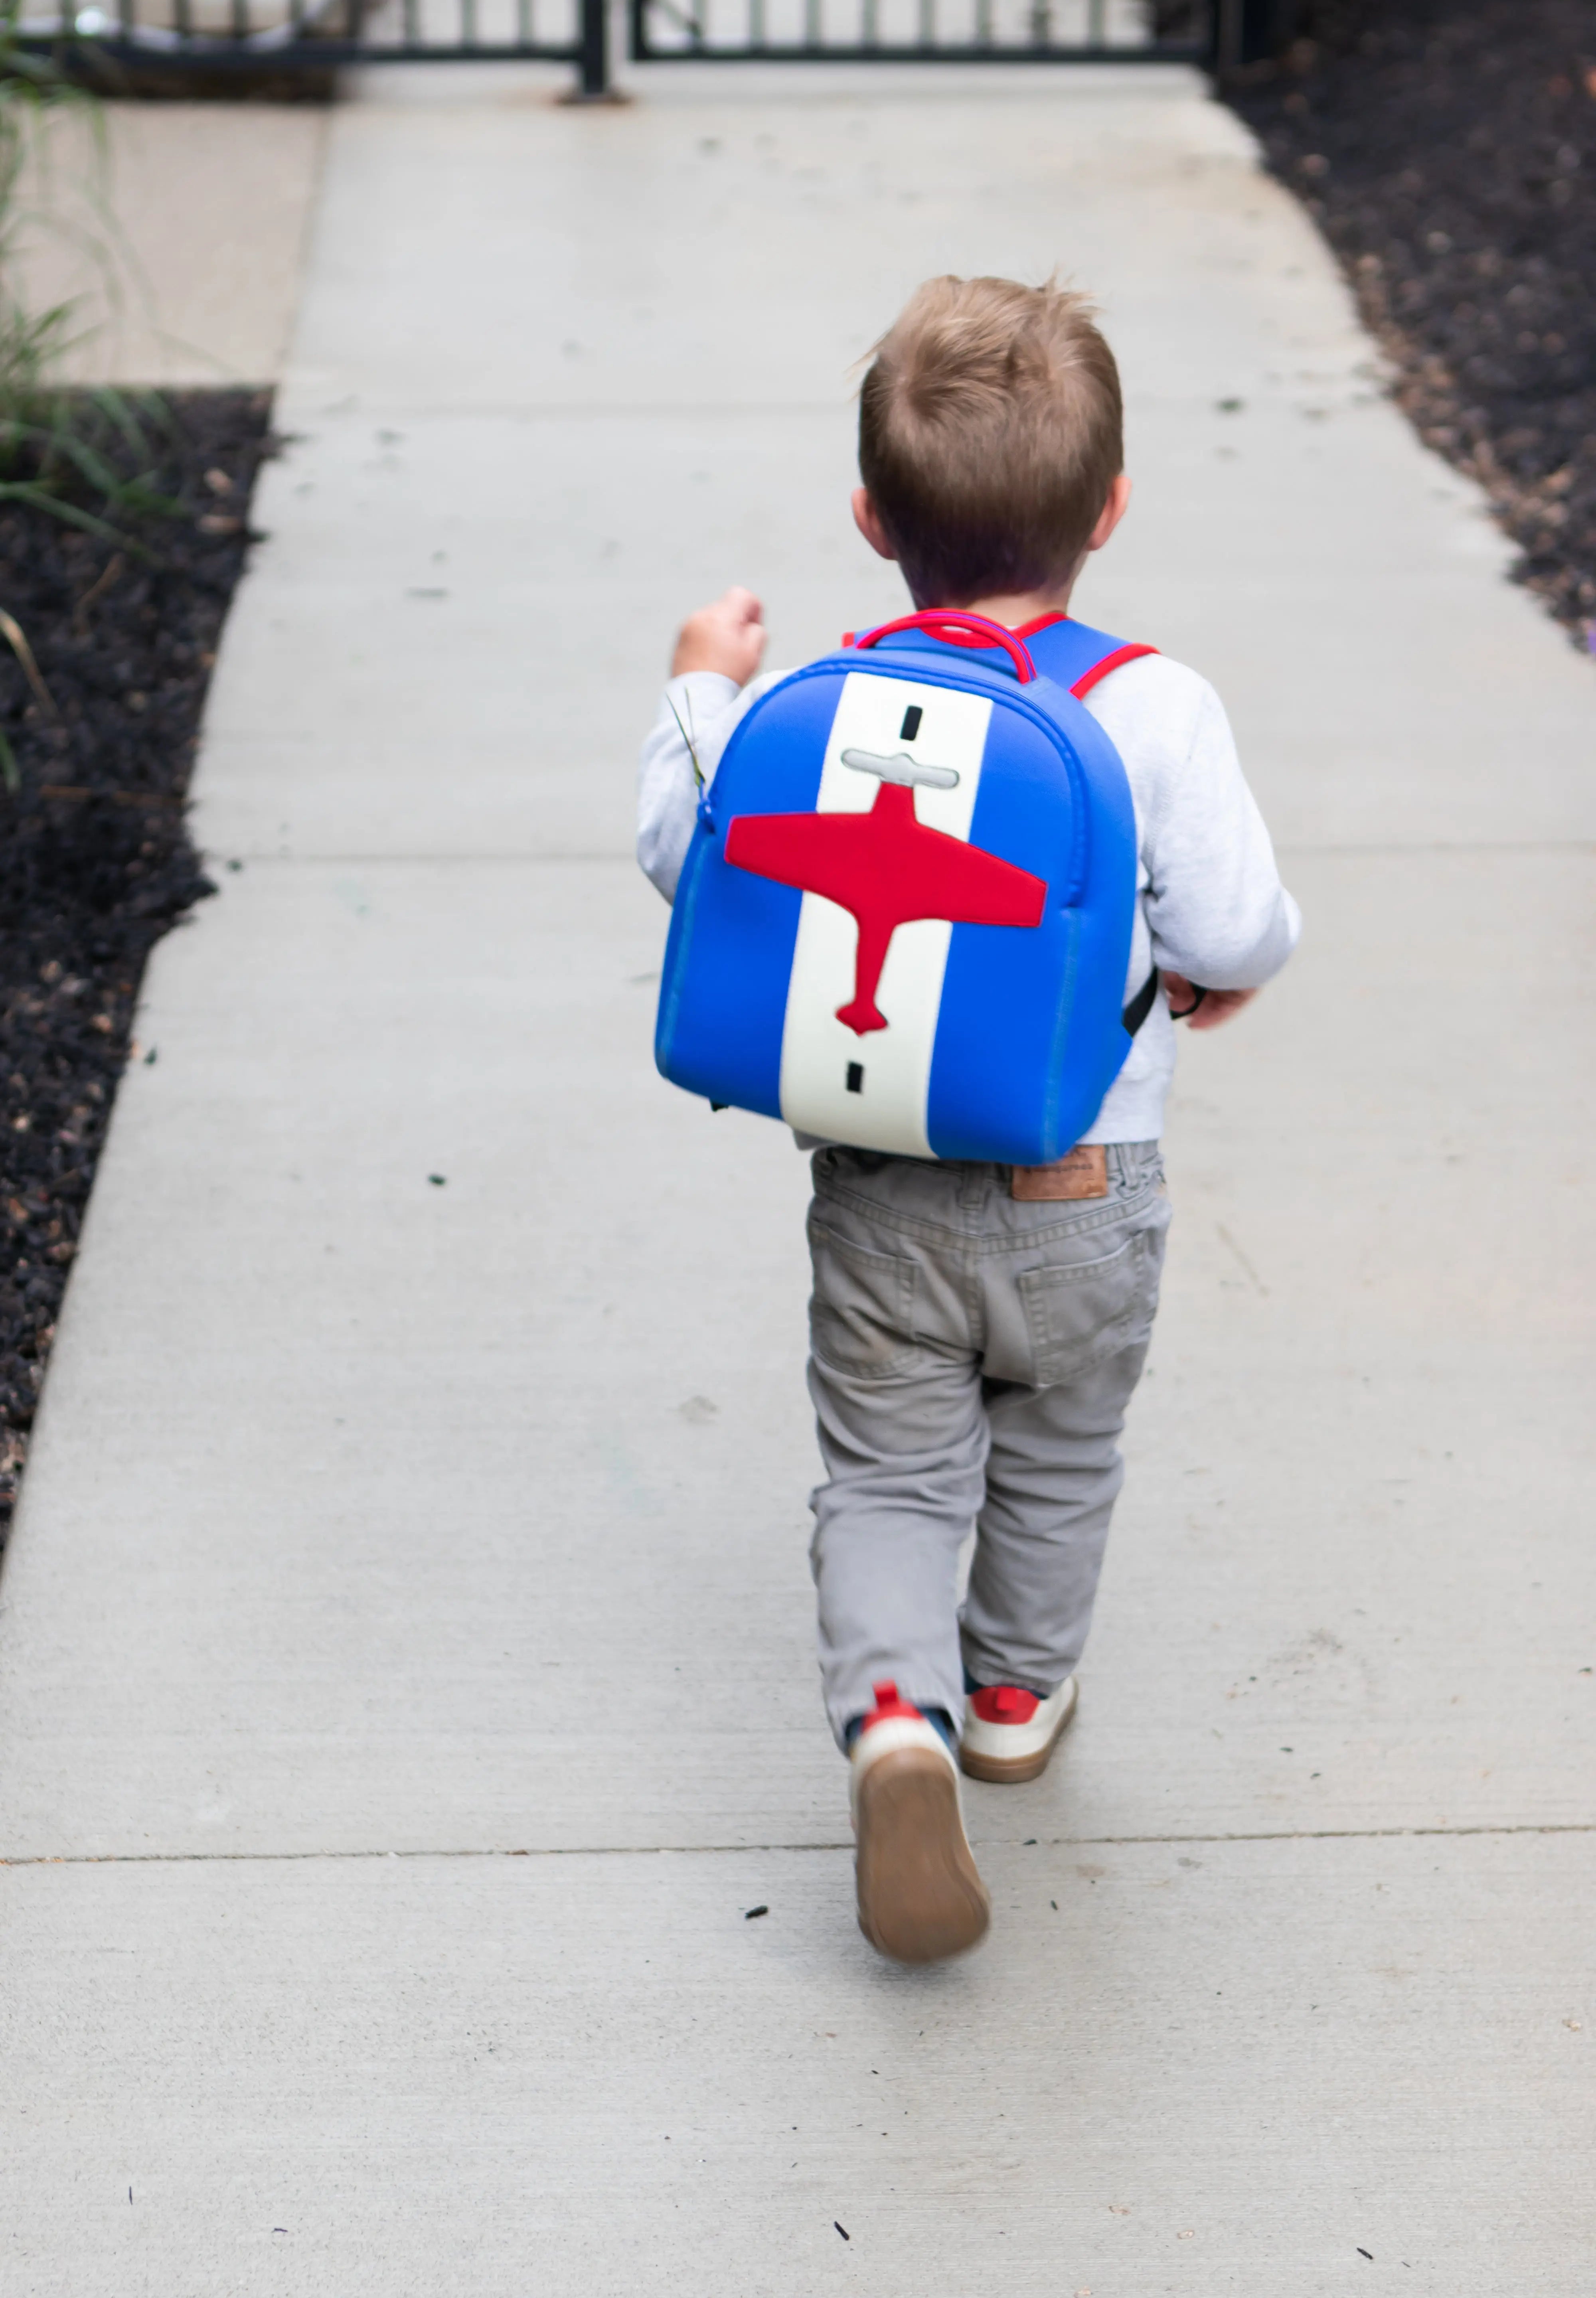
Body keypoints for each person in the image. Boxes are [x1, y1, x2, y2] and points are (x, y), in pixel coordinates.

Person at [636, 276, 1300, 1964]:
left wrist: (703, 690)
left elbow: (689, 855)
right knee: (1061, 1453)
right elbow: (1233, 928)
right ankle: (1011, 1700)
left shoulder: (826, 708)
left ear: (872, 520)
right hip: (1089, 1185)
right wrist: (1212, 980)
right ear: (1111, 508)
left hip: (881, 1189)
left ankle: (892, 1721)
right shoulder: (1155, 706)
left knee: (887, 1481)